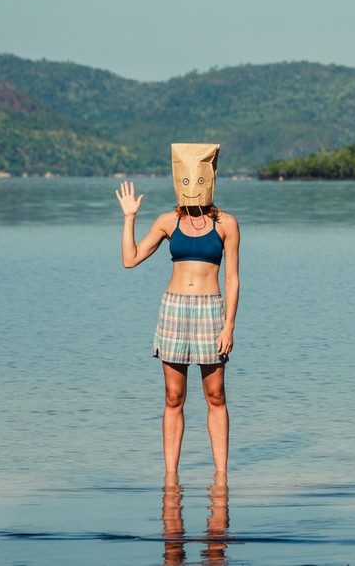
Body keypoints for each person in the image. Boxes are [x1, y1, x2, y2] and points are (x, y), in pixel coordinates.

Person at [115, 143, 240, 475]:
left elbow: (233, 280)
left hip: (211, 311)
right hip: (174, 310)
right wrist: (129, 218)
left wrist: (228, 325)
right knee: (173, 396)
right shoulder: (168, 221)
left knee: (215, 395)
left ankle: (221, 477)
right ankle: (171, 477)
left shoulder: (226, 223)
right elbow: (130, 259)